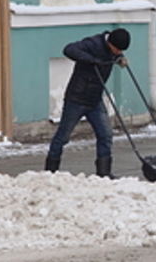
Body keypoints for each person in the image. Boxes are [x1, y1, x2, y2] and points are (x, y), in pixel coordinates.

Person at [44, 28, 131, 179]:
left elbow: (115, 54)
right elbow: (69, 49)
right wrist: (91, 60)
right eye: (117, 50)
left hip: (95, 100)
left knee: (106, 135)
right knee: (63, 136)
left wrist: (120, 58)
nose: (117, 52)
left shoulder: (113, 50)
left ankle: (104, 172)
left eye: (120, 51)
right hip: (76, 99)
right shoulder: (93, 43)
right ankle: (50, 172)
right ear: (109, 42)